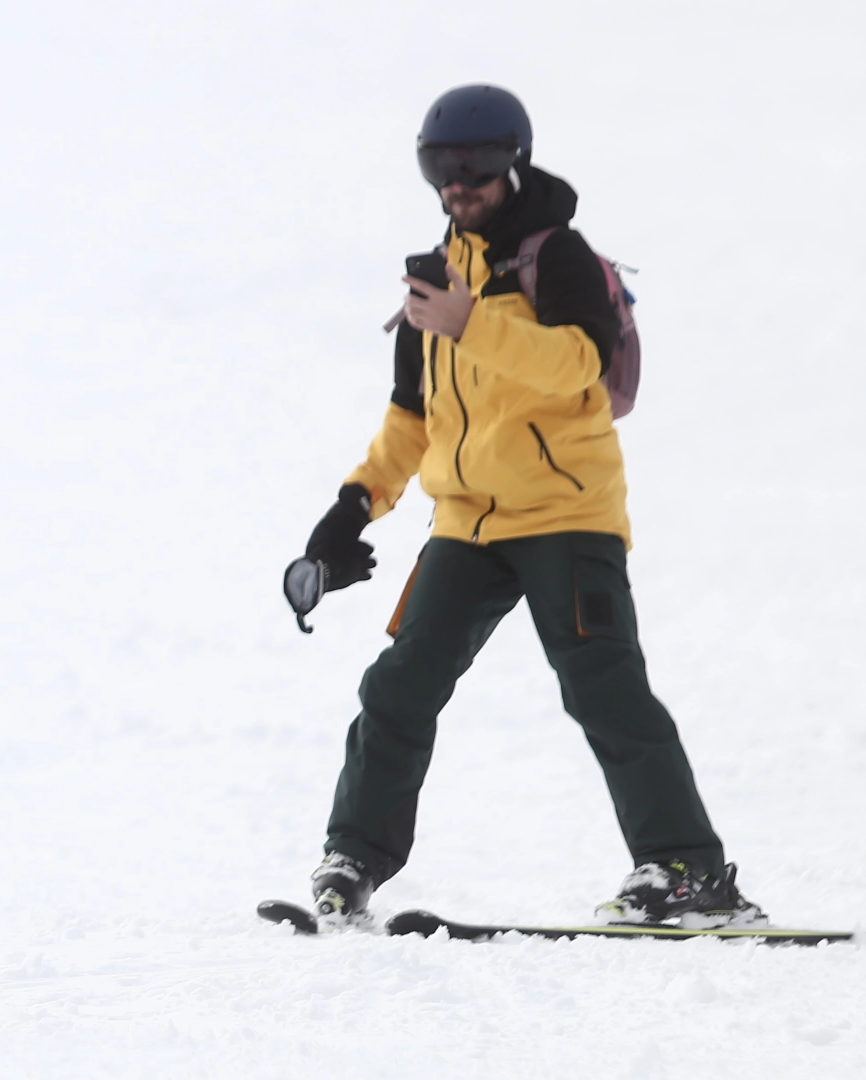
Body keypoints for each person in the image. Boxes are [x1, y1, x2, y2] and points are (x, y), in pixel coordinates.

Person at [292, 85, 765, 928]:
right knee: (398, 685)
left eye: (473, 166)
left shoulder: (554, 257)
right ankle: (351, 858)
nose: (457, 183)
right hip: (466, 525)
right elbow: (412, 417)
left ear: (511, 161)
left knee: (603, 687)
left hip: (566, 513)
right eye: (440, 166)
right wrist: (350, 511)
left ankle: (688, 871)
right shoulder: (433, 282)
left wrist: (472, 322)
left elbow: (577, 364)